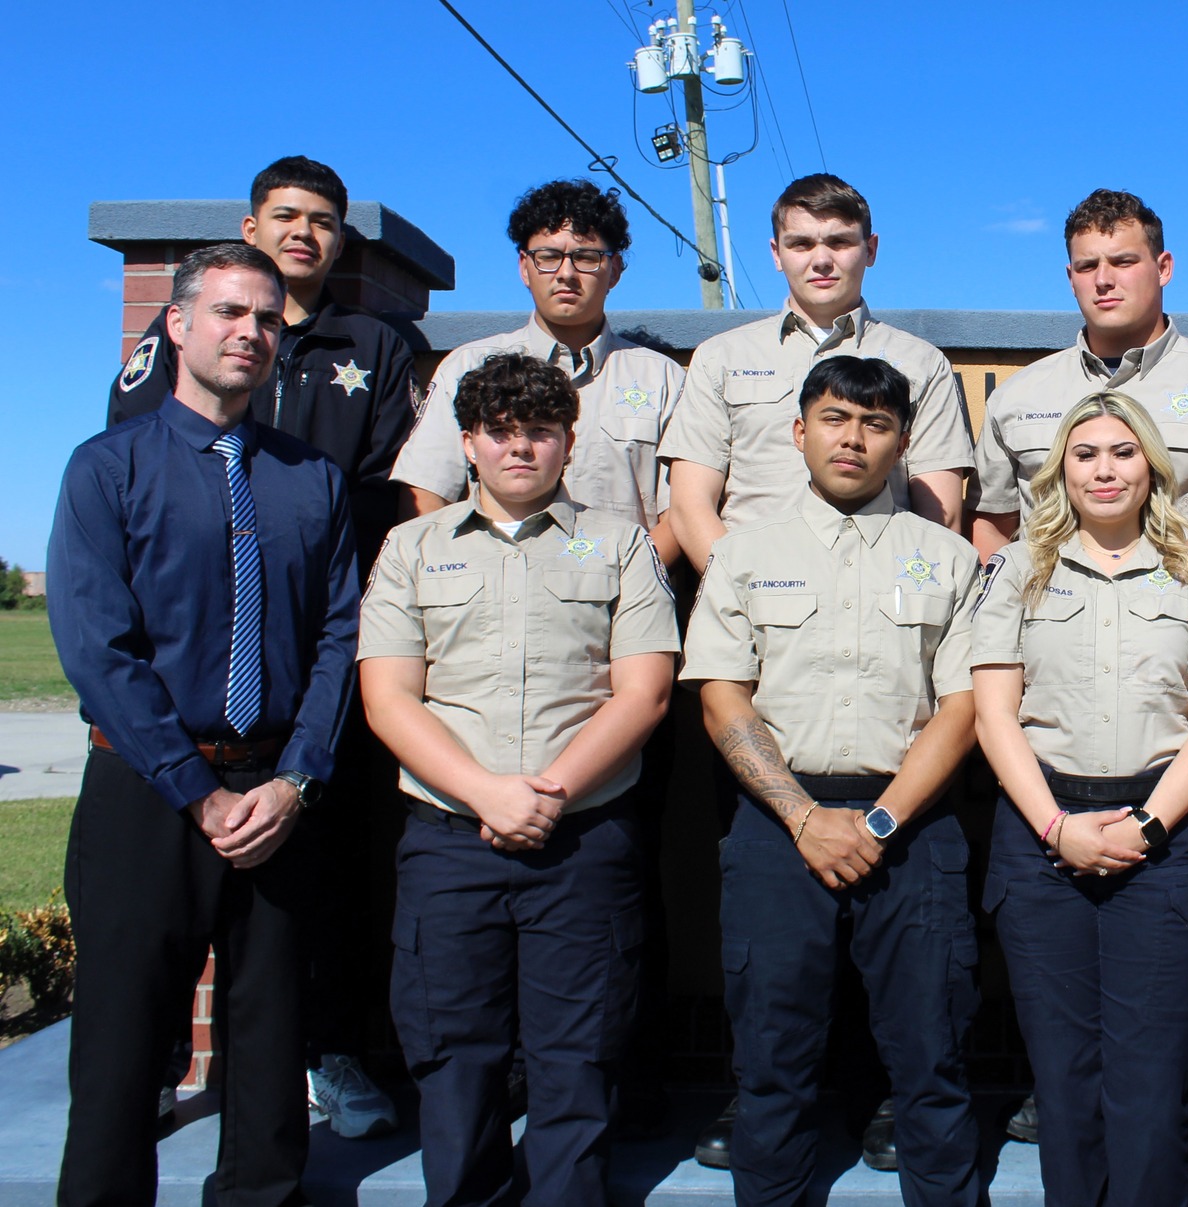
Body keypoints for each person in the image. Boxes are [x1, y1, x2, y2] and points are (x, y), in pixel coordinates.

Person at [108, 155, 416, 1137]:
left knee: (321, 872)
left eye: (323, 221)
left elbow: (381, 488)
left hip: (318, 639)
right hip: (191, 653)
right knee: (161, 890)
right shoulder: (185, 337)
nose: (304, 233)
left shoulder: (374, 341)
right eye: (286, 215)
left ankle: (327, 1049)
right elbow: (140, 474)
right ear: (251, 224)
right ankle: (157, 1065)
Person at [49, 242, 359, 1205]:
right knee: (120, 1045)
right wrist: (195, 791)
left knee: (269, 1043)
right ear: (178, 325)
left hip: (275, 794)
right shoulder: (107, 469)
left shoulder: (313, 481)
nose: (251, 333)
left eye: (267, 319)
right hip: (147, 792)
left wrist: (295, 779)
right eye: (229, 312)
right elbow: (98, 649)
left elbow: (341, 638)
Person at [358, 351, 679, 1205]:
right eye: (500, 432)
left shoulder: (620, 546)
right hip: (448, 843)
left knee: (578, 1057)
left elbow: (642, 692)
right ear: (467, 443)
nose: (520, 449)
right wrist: (485, 792)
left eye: (540, 431)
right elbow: (389, 700)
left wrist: (549, 793)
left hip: (581, 843)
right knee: (453, 1056)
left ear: (569, 444)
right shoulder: (410, 548)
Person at [683, 356, 983, 1206]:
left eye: (876, 423)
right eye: (834, 418)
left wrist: (880, 821)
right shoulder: (745, 555)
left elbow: (961, 706)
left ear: (903, 441)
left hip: (913, 826)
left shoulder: (948, 558)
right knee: (772, 1066)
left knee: (933, 1064)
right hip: (777, 828)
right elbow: (721, 696)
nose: (852, 438)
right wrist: (804, 815)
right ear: (798, 432)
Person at [971, 391, 1188, 1207]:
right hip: (1041, 830)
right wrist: (1058, 827)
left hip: (1156, 836)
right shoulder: (1020, 568)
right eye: (1085, 453)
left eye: (1123, 452)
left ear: (1152, 467)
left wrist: (1149, 826)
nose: (1104, 468)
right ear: (1061, 469)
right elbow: (993, 713)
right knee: (1062, 1069)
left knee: (1152, 1069)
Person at [666, 172, 976, 570]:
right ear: (777, 254)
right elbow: (690, 507)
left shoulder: (922, 363)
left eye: (840, 241)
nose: (822, 260)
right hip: (751, 602)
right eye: (802, 244)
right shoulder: (720, 359)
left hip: (882, 601)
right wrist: (744, 593)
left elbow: (941, 515)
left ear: (870, 249)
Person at [971, 188, 1188, 573]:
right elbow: (990, 523)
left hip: (1186, 618)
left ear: (1164, 267)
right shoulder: (1016, 398)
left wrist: (1161, 571)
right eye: (1087, 266)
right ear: (1071, 278)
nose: (1103, 280)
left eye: (1123, 262)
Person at [392, 178, 685, 558]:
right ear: (524, 268)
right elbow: (424, 497)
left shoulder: (662, 379)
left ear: (614, 271)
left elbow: (680, 513)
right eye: (547, 256)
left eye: (586, 257)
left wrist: (627, 583)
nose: (566, 273)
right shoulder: (467, 366)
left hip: (621, 600)